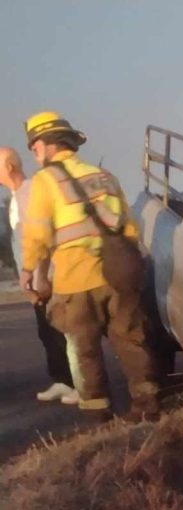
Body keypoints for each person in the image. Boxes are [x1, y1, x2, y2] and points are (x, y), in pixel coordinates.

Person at [19, 111, 160, 420]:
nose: (34, 154)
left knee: (85, 350)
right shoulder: (105, 176)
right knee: (131, 340)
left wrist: (30, 271)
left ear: (46, 144)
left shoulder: (46, 180)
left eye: (34, 147)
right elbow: (130, 228)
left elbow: (38, 233)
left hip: (77, 276)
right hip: (120, 272)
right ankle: (147, 408)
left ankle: (99, 415)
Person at [0, 147, 78, 402]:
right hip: (33, 277)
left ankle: (81, 385)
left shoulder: (31, 192)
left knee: (67, 332)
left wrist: (41, 276)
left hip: (47, 275)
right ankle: (63, 380)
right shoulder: (15, 196)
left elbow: (42, 236)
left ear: (9, 167)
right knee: (47, 332)